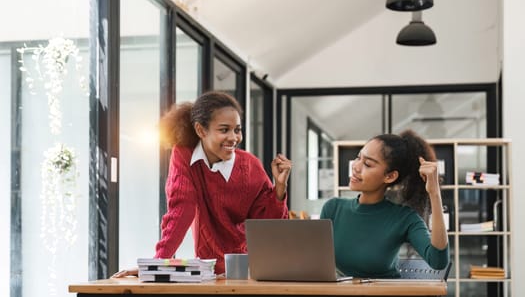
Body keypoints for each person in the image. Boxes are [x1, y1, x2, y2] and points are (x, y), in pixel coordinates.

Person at [113, 91, 291, 277]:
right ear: (201, 130)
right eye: (224, 130)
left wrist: (279, 188)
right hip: (209, 273)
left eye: (237, 130)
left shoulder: (250, 165)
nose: (233, 137)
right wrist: (154, 266)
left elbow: (268, 226)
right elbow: (180, 211)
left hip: (250, 269)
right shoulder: (184, 155)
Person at [321, 129, 449, 278]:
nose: (355, 166)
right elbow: (315, 260)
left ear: (389, 176)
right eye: (358, 158)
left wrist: (434, 194)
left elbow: (438, 261)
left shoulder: (405, 218)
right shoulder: (333, 208)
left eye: (367, 164)